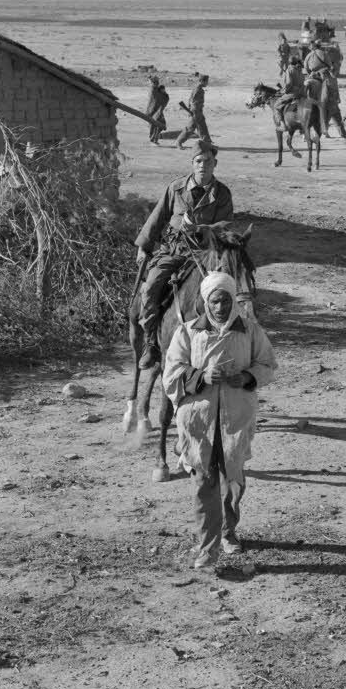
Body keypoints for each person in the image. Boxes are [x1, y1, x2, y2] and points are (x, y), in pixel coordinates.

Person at [162, 269, 277, 569]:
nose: (220, 307)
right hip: (198, 422)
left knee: (233, 479)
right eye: (214, 301)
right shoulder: (187, 331)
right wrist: (201, 375)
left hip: (235, 419)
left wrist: (247, 376)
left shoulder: (250, 331)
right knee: (204, 481)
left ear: (233, 301)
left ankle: (229, 532)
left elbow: (267, 364)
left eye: (225, 300)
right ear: (205, 302)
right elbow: (171, 375)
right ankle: (207, 547)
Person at [133, 140, 234, 366]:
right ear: (192, 163)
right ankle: (150, 341)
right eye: (198, 161)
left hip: (205, 253)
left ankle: (225, 338)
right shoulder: (176, 188)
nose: (202, 166)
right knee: (150, 287)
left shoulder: (222, 194)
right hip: (174, 250)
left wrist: (198, 229)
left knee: (224, 291)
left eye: (207, 161)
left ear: (214, 164)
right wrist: (144, 246)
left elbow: (225, 227)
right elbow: (157, 218)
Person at [177, 72, 210, 149]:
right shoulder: (198, 90)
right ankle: (179, 142)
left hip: (198, 111)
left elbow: (190, 100)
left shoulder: (199, 89)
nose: (207, 83)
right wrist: (194, 112)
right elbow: (193, 102)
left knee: (203, 127)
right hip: (195, 112)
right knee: (190, 129)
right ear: (202, 81)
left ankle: (207, 142)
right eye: (206, 81)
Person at [145, 74, 170, 145]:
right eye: (155, 82)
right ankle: (153, 139)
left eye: (157, 82)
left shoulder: (157, 90)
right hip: (153, 111)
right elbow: (158, 99)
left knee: (160, 125)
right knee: (155, 125)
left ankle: (154, 138)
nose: (157, 83)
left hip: (157, 111)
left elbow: (164, 99)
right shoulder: (153, 90)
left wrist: (164, 93)